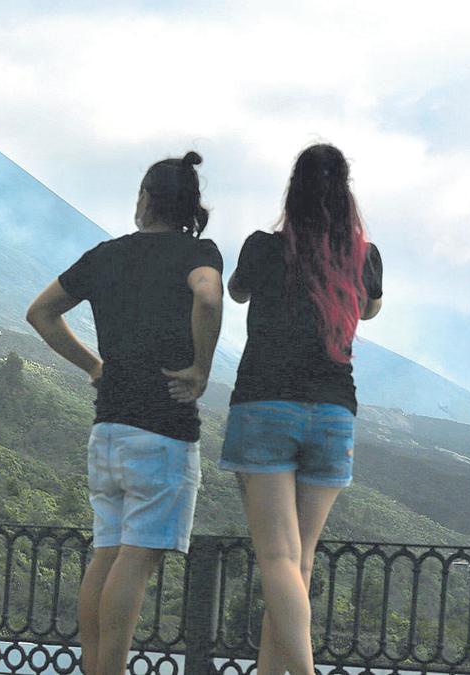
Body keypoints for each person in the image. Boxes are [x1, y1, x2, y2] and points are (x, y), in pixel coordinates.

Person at [26, 152, 223, 675]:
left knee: (107, 554)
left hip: (108, 428)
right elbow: (208, 295)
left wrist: (95, 367)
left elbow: (40, 313)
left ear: (146, 198)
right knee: (135, 562)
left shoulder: (105, 255)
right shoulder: (197, 251)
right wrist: (200, 370)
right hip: (163, 431)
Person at [221, 143, 382, 675]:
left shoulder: (264, 248)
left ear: (295, 192)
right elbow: (372, 306)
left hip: (267, 405)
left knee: (278, 561)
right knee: (295, 564)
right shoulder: (364, 256)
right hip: (335, 413)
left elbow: (237, 292)